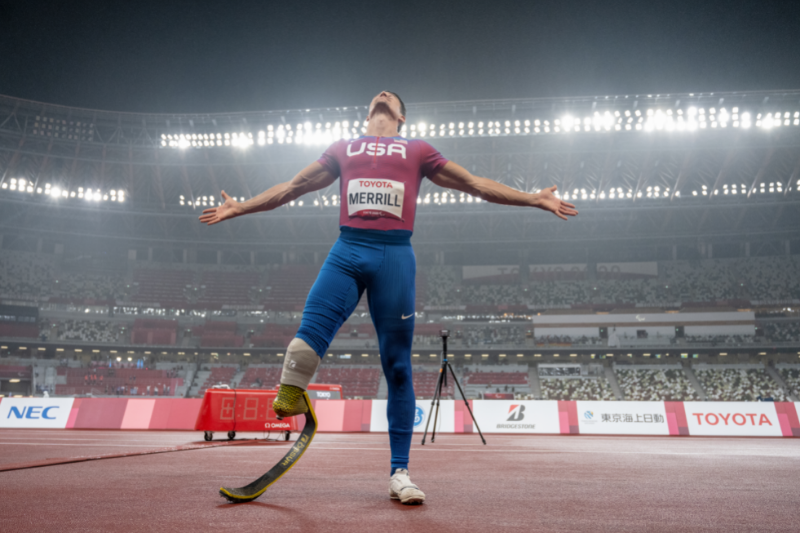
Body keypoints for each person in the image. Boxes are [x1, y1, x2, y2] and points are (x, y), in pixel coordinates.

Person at [200, 90, 578, 504]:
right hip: (346, 251)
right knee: (307, 335)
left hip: (396, 257)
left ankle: (400, 473)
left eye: (392, 97)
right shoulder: (343, 149)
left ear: (401, 116)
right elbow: (293, 187)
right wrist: (241, 208)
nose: (383, 94)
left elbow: (474, 184)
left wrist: (533, 198)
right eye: (377, 94)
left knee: (398, 367)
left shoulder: (416, 150)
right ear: (368, 113)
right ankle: (290, 395)